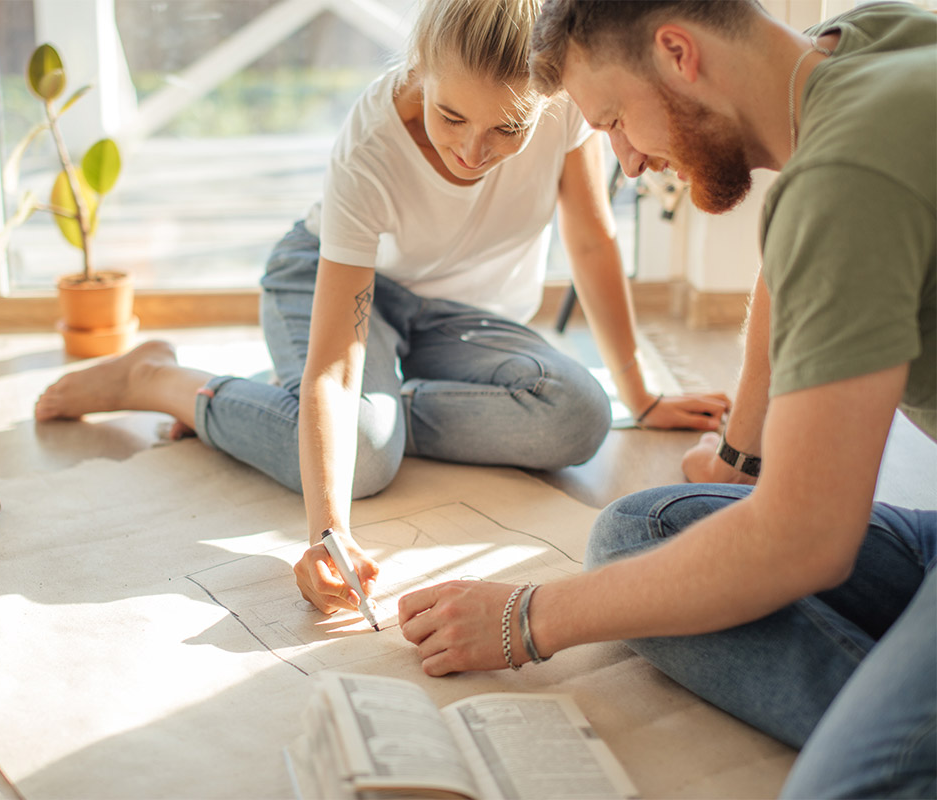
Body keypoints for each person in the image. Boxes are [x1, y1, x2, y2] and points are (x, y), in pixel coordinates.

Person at [35, 0, 728, 618]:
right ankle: (158, 380)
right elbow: (336, 367)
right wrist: (326, 532)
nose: (471, 149)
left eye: (507, 129)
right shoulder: (371, 145)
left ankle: (365, 408)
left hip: (456, 314)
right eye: (452, 114)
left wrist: (639, 392)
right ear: (421, 68)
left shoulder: (566, 104)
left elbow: (591, 236)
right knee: (363, 459)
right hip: (329, 278)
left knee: (581, 415)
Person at [398, 2, 936, 797]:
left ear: (678, 52)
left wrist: (526, 620)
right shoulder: (866, 43)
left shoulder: (845, 177)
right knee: (639, 534)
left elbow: (805, 539)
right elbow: (791, 267)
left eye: (615, 120)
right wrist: (738, 456)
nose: (631, 162)